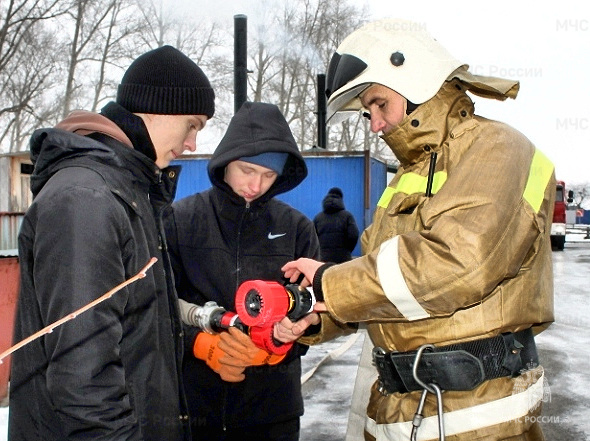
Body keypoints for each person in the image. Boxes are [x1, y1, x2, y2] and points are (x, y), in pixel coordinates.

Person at [278, 18, 555, 441]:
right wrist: (312, 313)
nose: (374, 124)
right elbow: (382, 285)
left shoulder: (498, 148)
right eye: (368, 112)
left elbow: (460, 264)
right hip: (400, 410)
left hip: (479, 418)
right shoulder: (406, 177)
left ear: (415, 78)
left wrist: (330, 283)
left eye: (378, 105)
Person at [9, 45, 215, 441]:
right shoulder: (87, 199)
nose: (191, 144)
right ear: (156, 108)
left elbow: (139, 329)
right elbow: (82, 378)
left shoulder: (128, 190)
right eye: (193, 125)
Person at [164, 101, 320, 441]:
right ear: (225, 162)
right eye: (247, 170)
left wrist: (279, 345)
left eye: (269, 175)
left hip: (272, 410)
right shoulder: (180, 219)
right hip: (195, 404)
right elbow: (157, 306)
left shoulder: (297, 228)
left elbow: (312, 309)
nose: (256, 184)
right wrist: (201, 344)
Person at [313, 187, 359, 263]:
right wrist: (347, 250)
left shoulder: (318, 218)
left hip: (323, 259)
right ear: (340, 199)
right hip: (343, 259)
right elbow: (354, 235)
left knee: (324, 275)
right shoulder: (347, 216)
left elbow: (312, 238)